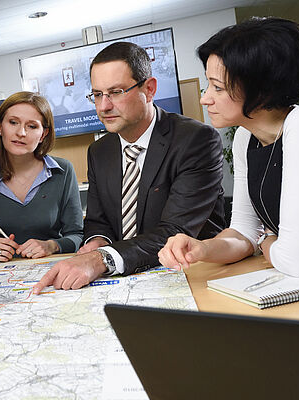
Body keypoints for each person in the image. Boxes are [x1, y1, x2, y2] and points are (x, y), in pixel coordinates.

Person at [34, 41, 225, 293]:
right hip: (129, 279)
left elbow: (175, 231)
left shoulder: (196, 140)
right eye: (97, 94)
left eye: (116, 92)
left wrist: (101, 259)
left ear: (149, 88)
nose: (103, 107)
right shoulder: (99, 151)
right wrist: (97, 242)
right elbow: (98, 220)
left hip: (193, 277)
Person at [158, 17, 299, 277]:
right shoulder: (246, 138)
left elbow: (295, 261)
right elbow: (243, 233)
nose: (204, 98)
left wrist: (266, 240)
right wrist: (202, 248)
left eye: (218, 88)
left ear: (262, 90)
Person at [0, 92, 83, 262]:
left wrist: (52, 245)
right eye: (13, 122)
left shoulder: (63, 171)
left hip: (51, 270)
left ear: (43, 134)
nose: (21, 133)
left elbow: (77, 236)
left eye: (32, 126)